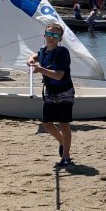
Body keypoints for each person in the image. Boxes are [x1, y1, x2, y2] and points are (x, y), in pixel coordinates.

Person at [27, 22, 75, 168]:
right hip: (49, 92)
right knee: (47, 124)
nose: (51, 37)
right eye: (48, 34)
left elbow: (59, 75)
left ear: (60, 38)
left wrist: (40, 70)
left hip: (65, 92)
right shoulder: (43, 50)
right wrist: (31, 60)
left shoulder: (62, 52)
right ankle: (62, 142)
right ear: (44, 36)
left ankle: (66, 157)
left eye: (55, 35)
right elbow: (36, 56)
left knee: (64, 124)